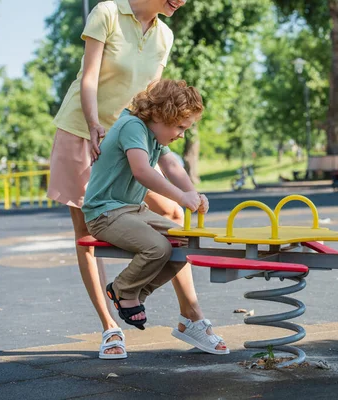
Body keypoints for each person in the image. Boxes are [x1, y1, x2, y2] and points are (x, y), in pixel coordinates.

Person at [47, 0, 227, 359]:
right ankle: (110, 327)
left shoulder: (164, 35)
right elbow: (89, 76)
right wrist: (94, 123)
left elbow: (153, 100)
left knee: (174, 218)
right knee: (88, 233)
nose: (183, 1)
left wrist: (187, 189)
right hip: (85, 130)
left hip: (137, 137)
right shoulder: (108, 13)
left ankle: (190, 317)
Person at [84, 79, 228, 355]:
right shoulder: (133, 126)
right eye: (180, 127)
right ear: (161, 116)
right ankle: (124, 289)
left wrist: (192, 194)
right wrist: (179, 197)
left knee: (185, 242)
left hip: (132, 209)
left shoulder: (153, 135)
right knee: (157, 247)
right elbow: (142, 171)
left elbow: (171, 165)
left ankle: (133, 293)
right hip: (104, 211)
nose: (181, 134)